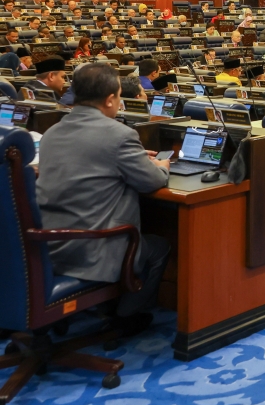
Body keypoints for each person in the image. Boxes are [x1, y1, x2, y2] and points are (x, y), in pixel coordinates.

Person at [36, 63, 171, 324]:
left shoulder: (52, 132)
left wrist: (132, 157)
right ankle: (127, 317)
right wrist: (162, 166)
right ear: (110, 100)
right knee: (160, 247)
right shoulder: (120, 135)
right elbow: (151, 181)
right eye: (119, 97)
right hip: (94, 250)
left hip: (47, 246)